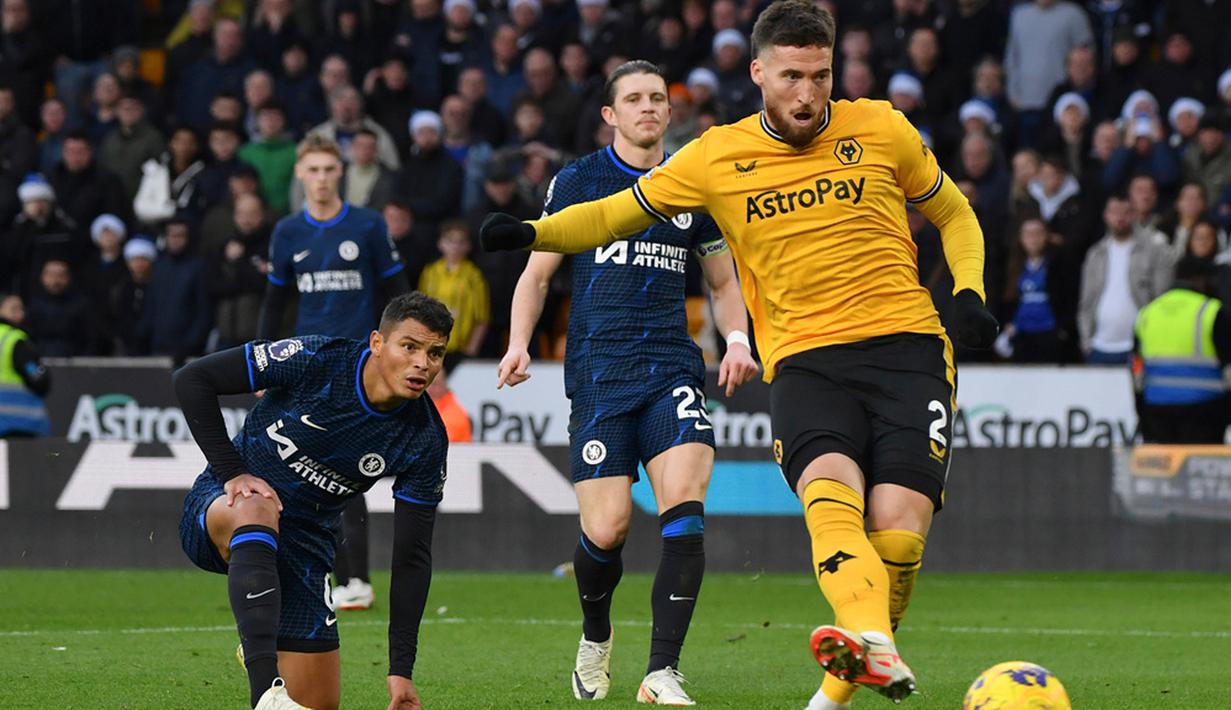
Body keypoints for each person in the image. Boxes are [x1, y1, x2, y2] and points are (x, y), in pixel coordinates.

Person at [479, 3, 998, 706]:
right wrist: (533, 232)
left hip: (907, 348)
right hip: (806, 360)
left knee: (899, 536)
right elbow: (614, 212)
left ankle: (839, 683)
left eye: (820, 75)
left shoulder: (879, 125)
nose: (807, 94)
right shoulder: (716, 156)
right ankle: (871, 646)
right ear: (758, 72)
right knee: (829, 501)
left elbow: (953, 212)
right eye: (791, 76)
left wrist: (966, 289)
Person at [496, 60, 760, 705]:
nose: (649, 107)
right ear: (611, 115)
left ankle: (662, 671)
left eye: (658, 98)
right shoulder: (581, 180)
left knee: (685, 508)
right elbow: (535, 276)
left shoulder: (693, 186)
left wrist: (736, 340)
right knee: (608, 529)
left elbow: (724, 283)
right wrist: (518, 344)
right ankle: (595, 634)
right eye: (634, 99)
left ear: (670, 112)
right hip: (597, 373)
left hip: (671, 365)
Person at [175, 292, 453, 710]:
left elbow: (412, 557)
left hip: (306, 551)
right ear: (377, 343)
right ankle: (266, 686)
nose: (422, 364)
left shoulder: (425, 438)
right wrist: (234, 472)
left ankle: (263, 641)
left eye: (435, 353)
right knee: (258, 504)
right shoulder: (317, 359)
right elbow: (191, 379)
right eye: (409, 347)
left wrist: (400, 671)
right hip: (223, 508)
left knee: (319, 705)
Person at [258, 134, 411, 613]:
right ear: (300, 175)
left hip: (359, 366)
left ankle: (357, 579)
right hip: (306, 366)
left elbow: (397, 292)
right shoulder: (287, 232)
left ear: (339, 172)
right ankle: (331, 577)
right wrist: (263, 363)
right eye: (313, 170)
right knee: (302, 472)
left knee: (341, 470)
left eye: (329, 169)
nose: (321, 179)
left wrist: (407, 352)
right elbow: (275, 303)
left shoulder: (366, 225)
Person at [1133, 257, 1231, 443]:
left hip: (1157, 410)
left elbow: (1137, 372)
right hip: (1204, 410)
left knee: (1164, 469)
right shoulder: (1211, 312)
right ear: (1199, 280)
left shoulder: (1147, 312)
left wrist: (1142, 413)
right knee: (1200, 469)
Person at [417, 220, 490, 357]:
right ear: (440, 243)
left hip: (461, 348)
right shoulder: (430, 272)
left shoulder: (473, 275)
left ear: (468, 246)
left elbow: (482, 317)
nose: (455, 246)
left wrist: (471, 349)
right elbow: (420, 311)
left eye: (461, 242)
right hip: (432, 346)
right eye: (450, 241)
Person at [0, 293, 50, 438]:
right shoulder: (14, 340)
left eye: (21, 309)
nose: (20, 314)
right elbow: (38, 378)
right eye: (14, 309)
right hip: (15, 425)